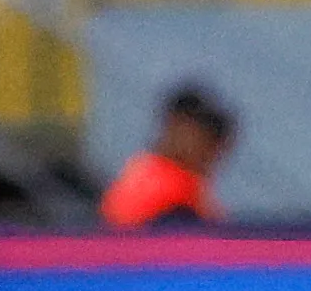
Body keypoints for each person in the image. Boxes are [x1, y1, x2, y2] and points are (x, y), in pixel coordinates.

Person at [101, 83, 235, 227]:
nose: (212, 151)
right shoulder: (169, 188)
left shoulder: (139, 168)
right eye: (206, 137)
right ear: (174, 125)